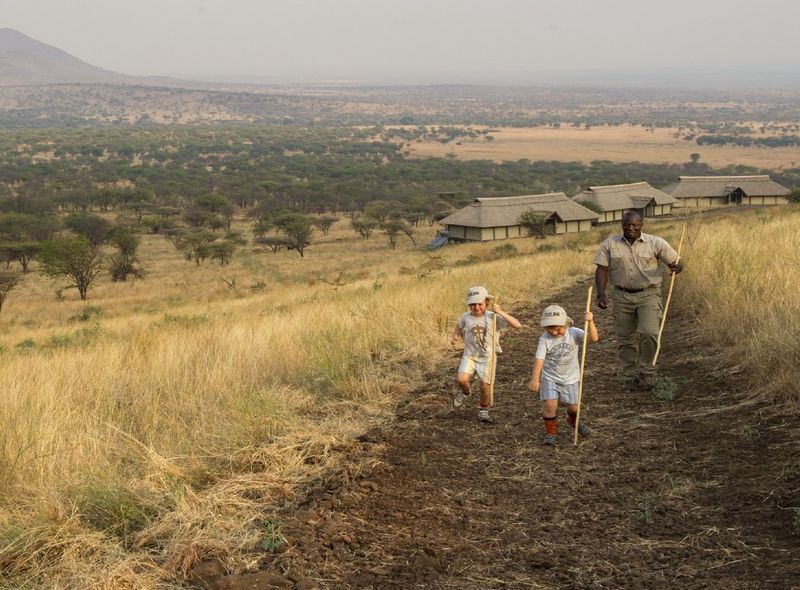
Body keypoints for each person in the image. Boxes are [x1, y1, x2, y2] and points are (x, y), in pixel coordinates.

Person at [592, 211, 684, 389]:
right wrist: (601, 294)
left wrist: (677, 266)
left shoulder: (656, 242)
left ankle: (647, 372)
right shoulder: (610, 244)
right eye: (627, 225)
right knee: (626, 337)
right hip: (621, 295)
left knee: (649, 333)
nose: (631, 228)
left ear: (641, 225)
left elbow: (676, 261)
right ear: (622, 225)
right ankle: (629, 374)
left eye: (635, 225)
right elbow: (602, 269)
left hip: (649, 294)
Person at [529, 304, 599, 445]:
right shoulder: (544, 339)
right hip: (550, 377)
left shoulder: (574, 333)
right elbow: (539, 359)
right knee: (549, 405)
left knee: (573, 407)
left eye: (558, 329)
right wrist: (535, 379)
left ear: (565, 324)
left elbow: (593, 338)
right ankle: (550, 433)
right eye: (550, 329)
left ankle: (573, 421)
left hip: (570, 378)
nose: (554, 333)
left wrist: (590, 321)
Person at [451, 285, 522, 422]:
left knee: (485, 387)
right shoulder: (466, 317)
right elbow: (459, 327)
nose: (476, 307)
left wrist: (500, 312)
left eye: (480, 304)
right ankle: (466, 392)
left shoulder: (493, 317)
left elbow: (517, 325)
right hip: (470, 355)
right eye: (472, 304)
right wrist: (455, 336)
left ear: (487, 304)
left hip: (488, 357)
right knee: (461, 379)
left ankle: (483, 409)